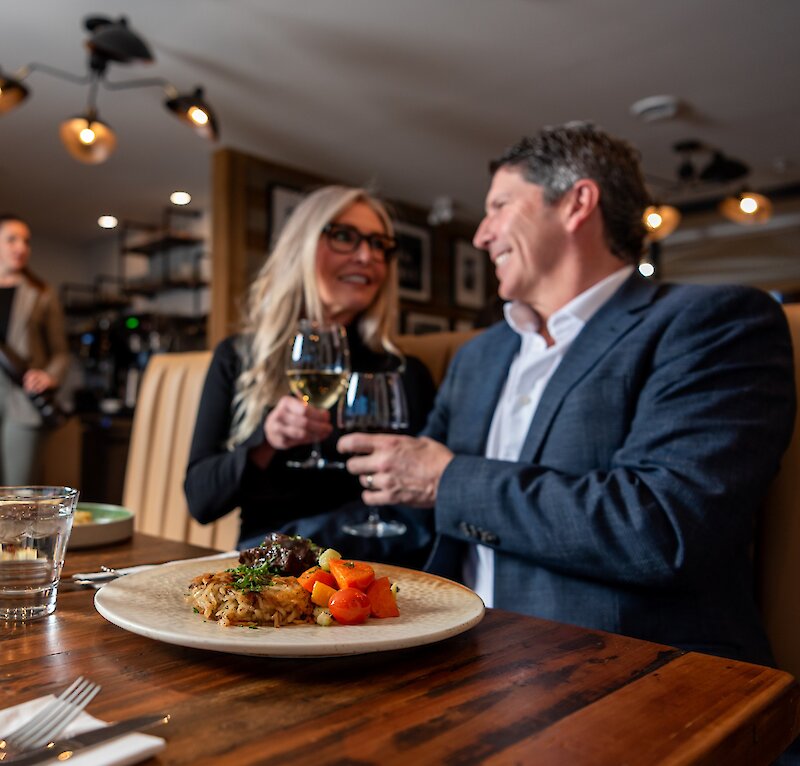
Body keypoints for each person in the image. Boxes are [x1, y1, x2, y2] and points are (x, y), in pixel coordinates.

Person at [338, 123, 796, 665]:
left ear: (577, 203)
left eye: (500, 206)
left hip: (626, 674)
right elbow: (414, 504)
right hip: (448, 657)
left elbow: (664, 528)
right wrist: (280, 551)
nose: (482, 235)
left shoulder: (713, 324)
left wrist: (448, 478)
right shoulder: (479, 356)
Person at [184, 186, 436, 564]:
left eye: (379, 244)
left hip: (367, 571)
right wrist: (266, 440)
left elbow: (421, 509)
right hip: (267, 572)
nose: (367, 256)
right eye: (345, 237)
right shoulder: (240, 356)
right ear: (300, 247)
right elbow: (201, 501)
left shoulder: (401, 373)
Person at [0, 213, 70, 484]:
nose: (21, 247)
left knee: (19, 495)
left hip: (22, 401)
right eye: (12, 239)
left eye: (26, 241)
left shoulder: (41, 292)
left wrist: (50, 376)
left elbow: (61, 351)